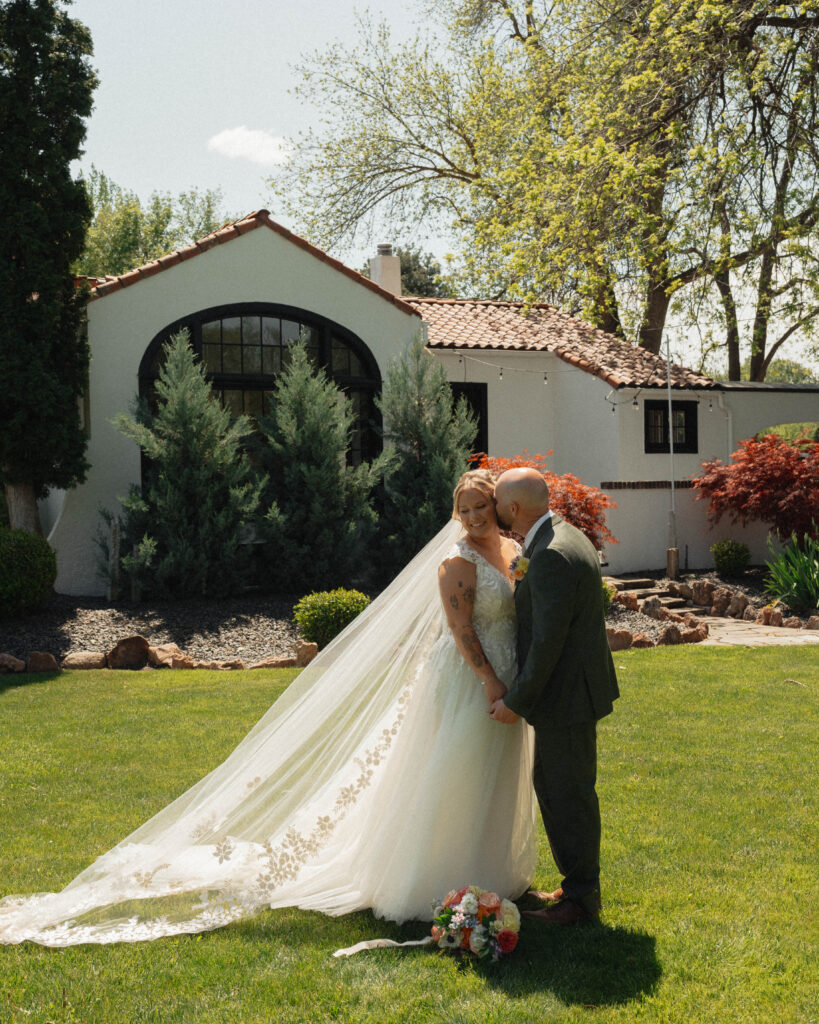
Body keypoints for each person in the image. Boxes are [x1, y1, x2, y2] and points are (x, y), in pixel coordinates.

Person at [0, 470, 536, 946]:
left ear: (499, 508)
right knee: (453, 769)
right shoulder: (454, 563)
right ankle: (429, 875)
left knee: (493, 768)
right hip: (470, 677)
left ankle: (489, 869)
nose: (470, 518)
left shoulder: (513, 554)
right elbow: (461, 630)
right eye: (462, 510)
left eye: (479, 508)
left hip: (509, 669)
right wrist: (488, 679)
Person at [490, 467, 619, 925]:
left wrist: (516, 702)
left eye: (498, 503)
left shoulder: (551, 555)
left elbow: (548, 644)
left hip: (567, 695)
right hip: (574, 689)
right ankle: (576, 885)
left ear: (514, 509)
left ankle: (581, 900)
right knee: (557, 784)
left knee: (569, 793)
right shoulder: (561, 535)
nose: (494, 510)